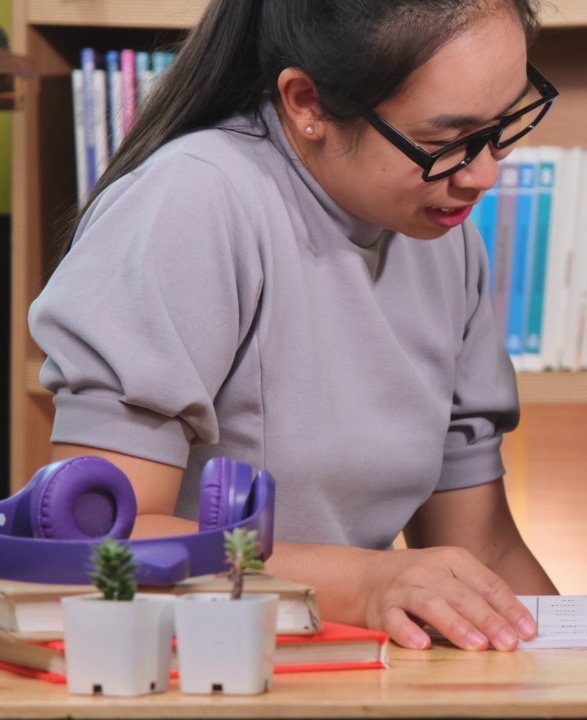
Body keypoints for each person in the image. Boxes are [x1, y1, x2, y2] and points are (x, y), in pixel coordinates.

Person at [28, 0, 559, 651]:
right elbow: (99, 546)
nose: (484, 174)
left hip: (360, 673)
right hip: (193, 668)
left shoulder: (443, 238)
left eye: (505, 125)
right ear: (306, 103)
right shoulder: (195, 200)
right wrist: (367, 584)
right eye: (443, 140)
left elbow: (484, 549)